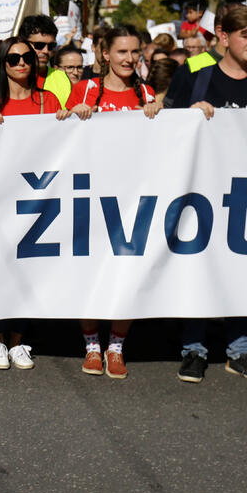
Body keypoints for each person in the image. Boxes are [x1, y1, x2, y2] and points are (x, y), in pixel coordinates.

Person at [164, 5, 247, 385]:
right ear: (224, 37)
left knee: (244, 265)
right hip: (201, 190)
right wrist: (189, 115)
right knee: (200, 265)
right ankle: (194, 349)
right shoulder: (195, 76)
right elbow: (164, 126)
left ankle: (240, 351)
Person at [66, 26, 160, 379]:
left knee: (127, 272)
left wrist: (161, 114)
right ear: (105, 54)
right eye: (121, 52)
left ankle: (116, 346)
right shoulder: (85, 89)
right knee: (91, 270)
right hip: (92, 194)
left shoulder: (147, 92)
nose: (129, 59)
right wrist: (72, 114)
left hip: (134, 196)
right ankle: (91, 345)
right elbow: (57, 140)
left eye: (134, 52)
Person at [0, 38, 68, 369]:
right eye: (13, 58)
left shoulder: (48, 100)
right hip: (1, 197)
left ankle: (18, 340)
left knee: (30, 269)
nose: (21, 63)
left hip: (39, 196)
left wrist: (73, 119)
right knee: (2, 269)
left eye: (28, 57)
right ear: (2, 63)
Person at [18, 14, 68, 106]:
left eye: (51, 46)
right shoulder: (5, 78)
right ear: (22, 43)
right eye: (39, 45)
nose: (45, 51)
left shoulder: (63, 78)